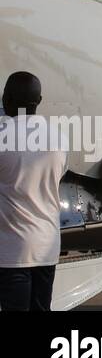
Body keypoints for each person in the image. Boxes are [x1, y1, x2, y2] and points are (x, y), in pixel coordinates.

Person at [0, 71, 67, 311]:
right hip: (47, 247)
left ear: (5, 99)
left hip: (12, 252)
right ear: (38, 101)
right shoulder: (58, 138)